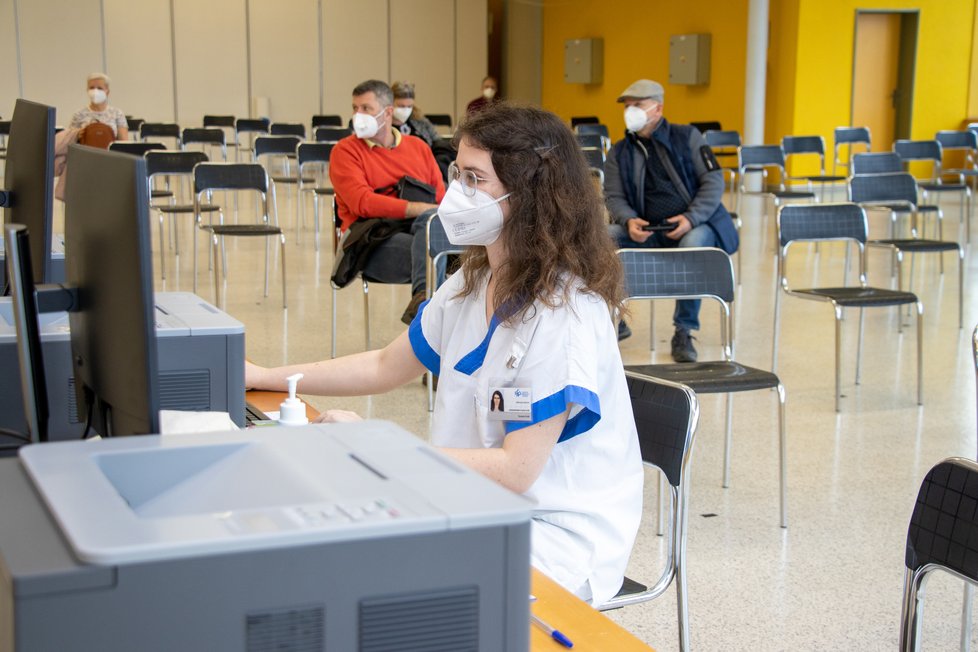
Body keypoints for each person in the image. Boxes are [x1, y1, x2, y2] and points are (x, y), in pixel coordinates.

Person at [248, 103, 643, 607]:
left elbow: (516, 469)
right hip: (473, 505)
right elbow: (384, 366)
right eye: (458, 174)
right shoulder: (473, 281)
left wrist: (375, 448)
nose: (456, 194)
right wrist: (266, 375)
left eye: (475, 179)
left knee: (376, 583)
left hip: (551, 536)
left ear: (529, 198)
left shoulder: (562, 315)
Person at [605, 79, 738, 362]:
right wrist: (628, 220)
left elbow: (713, 181)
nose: (631, 111)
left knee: (696, 242)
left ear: (658, 108)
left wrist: (691, 218)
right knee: (603, 237)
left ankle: (684, 331)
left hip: (690, 224)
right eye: (628, 107)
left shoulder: (687, 137)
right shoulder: (619, 151)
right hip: (644, 229)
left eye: (638, 105)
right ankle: (615, 320)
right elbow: (613, 196)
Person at [329, 79, 446, 323]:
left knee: (436, 235)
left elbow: (440, 199)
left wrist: (425, 212)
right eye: (355, 108)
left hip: (418, 231)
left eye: (366, 108)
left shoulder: (419, 148)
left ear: (388, 112)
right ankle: (428, 317)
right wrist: (418, 208)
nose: (357, 115)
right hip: (371, 239)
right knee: (441, 258)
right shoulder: (345, 151)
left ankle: (425, 306)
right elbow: (363, 202)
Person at [69, 73, 128, 140]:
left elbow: (124, 142)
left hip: (109, 150)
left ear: (107, 92)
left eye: (100, 88)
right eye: (92, 88)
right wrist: (78, 134)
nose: (95, 91)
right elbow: (70, 141)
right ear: (87, 90)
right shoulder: (79, 114)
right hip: (85, 149)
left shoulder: (117, 113)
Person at [390, 81, 440, 147]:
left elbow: (438, 142)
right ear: (390, 103)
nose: (405, 110)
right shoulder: (383, 126)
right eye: (401, 106)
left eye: (409, 106)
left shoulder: (421, 122)